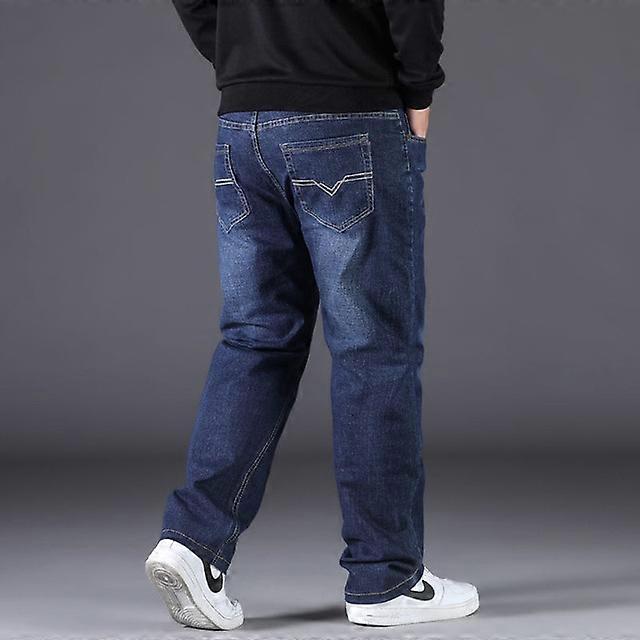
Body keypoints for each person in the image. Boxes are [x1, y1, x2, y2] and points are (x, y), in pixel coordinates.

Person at [145, 0, 479, 629]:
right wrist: (418, 91)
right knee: (374, 350)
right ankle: (385, 577)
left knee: (255, 339)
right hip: (350, 109)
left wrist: (245, 60)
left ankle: (193, 542)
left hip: (244, 121)